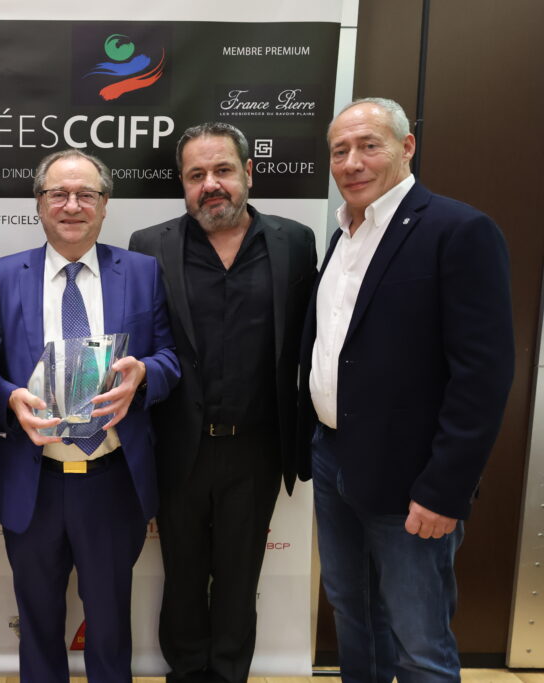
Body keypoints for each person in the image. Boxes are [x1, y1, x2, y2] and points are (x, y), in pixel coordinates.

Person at [298, 97, 514, 682]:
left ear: (406, 146)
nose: (352, 162)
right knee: (354, 618)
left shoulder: (458, 230)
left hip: (413, 479)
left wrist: (446, 489)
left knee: (420, 644)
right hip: (334, 458)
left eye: (369, 146)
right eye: (339, 151)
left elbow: (484, 375)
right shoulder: (344, 235)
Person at [0, 149, 180, 682]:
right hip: (32, 478)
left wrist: (144, 374)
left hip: (111, 482)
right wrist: (7, 398)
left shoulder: (141, 272)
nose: (72, 205)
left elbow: (171, 356)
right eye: (58, 194)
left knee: (109, 626)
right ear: (39, 204)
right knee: (38, 621)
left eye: (86, 194)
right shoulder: (0, 276)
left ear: (105, 204)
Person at [129, 122, 316, 682]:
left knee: (240, 578)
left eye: (223, 170)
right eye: (196, 175)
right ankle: (186, 672)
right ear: (183, 184)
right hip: (178, 447)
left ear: (248, 173)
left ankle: (229, 673)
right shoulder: (150, 245)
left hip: (258, 448)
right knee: (183, 578)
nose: (210, 184)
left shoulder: (295, 241)